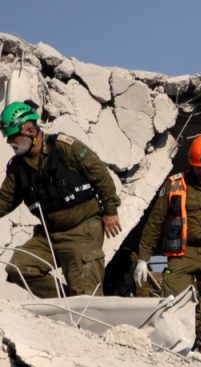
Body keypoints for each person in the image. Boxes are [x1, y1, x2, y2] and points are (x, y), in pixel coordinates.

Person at [134, 135, 201, 353]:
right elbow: (155, 223)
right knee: (173, 302)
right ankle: (175, 348)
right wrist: (143, 259)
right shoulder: (175, 184)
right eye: (198, 168)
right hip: (181, 253)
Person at [0, 99, 120, 297]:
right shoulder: (18, 168)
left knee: (86, 296)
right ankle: (65, 303)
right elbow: (4, 200)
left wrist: (110, 211)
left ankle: (80, 305)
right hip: (49, 235)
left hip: (82, 231)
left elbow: (100, 175)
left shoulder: (65, 147)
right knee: (19, 267)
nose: (9, 142)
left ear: (30, 130)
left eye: (13, 136)